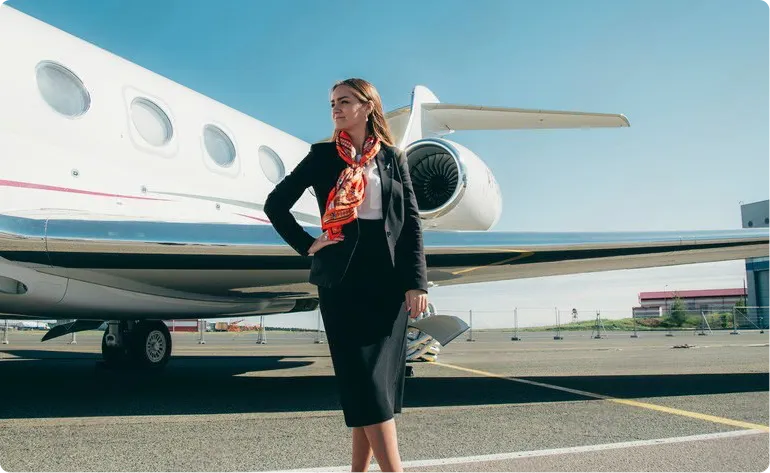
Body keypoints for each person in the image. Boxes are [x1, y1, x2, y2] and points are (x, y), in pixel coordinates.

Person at [264, 78, 428, 473]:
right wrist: (307, 244)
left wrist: (416, 282)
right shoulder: (322, 156)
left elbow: (410, 224)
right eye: (332, 103)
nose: (335, 108)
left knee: (373, 388)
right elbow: (276, 204)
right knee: (366, 382)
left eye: (344, 101)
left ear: (367, 106)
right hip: (342, 278)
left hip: (387, 282)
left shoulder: (392, 157)